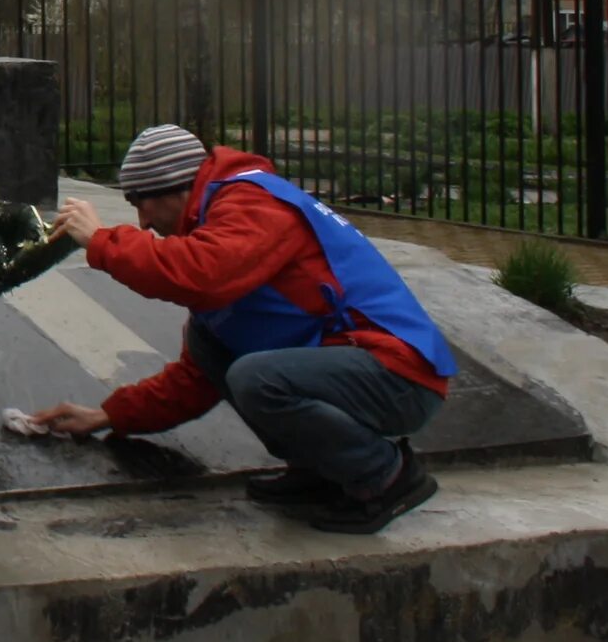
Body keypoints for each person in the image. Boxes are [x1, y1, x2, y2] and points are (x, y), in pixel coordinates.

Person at [26, 124, 456, 534]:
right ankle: (324, 471)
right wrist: (107, 415)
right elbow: (195, 380)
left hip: (398, 376)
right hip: (354, 367)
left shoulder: (252, 202)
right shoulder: (219, 222)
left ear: (176, 190)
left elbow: (201, 274)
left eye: (141, 201)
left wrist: (103, 240)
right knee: (210, 343)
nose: (141, 221)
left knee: (257, 379)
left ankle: (386, 476)